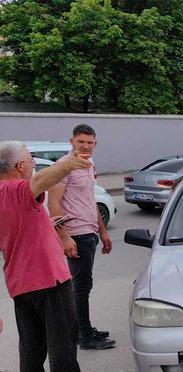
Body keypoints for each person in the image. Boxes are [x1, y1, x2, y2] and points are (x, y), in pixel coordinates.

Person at [0, 141, 102, 372]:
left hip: (19, 280)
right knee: (63, 338)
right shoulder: (16, 190)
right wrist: (68, 163)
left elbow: (18, 229)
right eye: (31, 160)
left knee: (31, 343)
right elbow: (41, 181)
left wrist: (48, 226)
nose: (34, 164)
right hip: (47, 278)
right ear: (20, 166)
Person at [48, 124, 116, 350]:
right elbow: (53, 205)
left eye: (89, 142)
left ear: (95, 144)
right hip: (76, 234)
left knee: (83, 285)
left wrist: (103, 231)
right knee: (80, 287)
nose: (85, 146)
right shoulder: (64, 167)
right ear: (71, 142)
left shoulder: (88, 165)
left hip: (90, 233)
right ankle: (84, 336)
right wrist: (65, 238)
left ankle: (82, 329)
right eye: (81, 142)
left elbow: (90, 200)